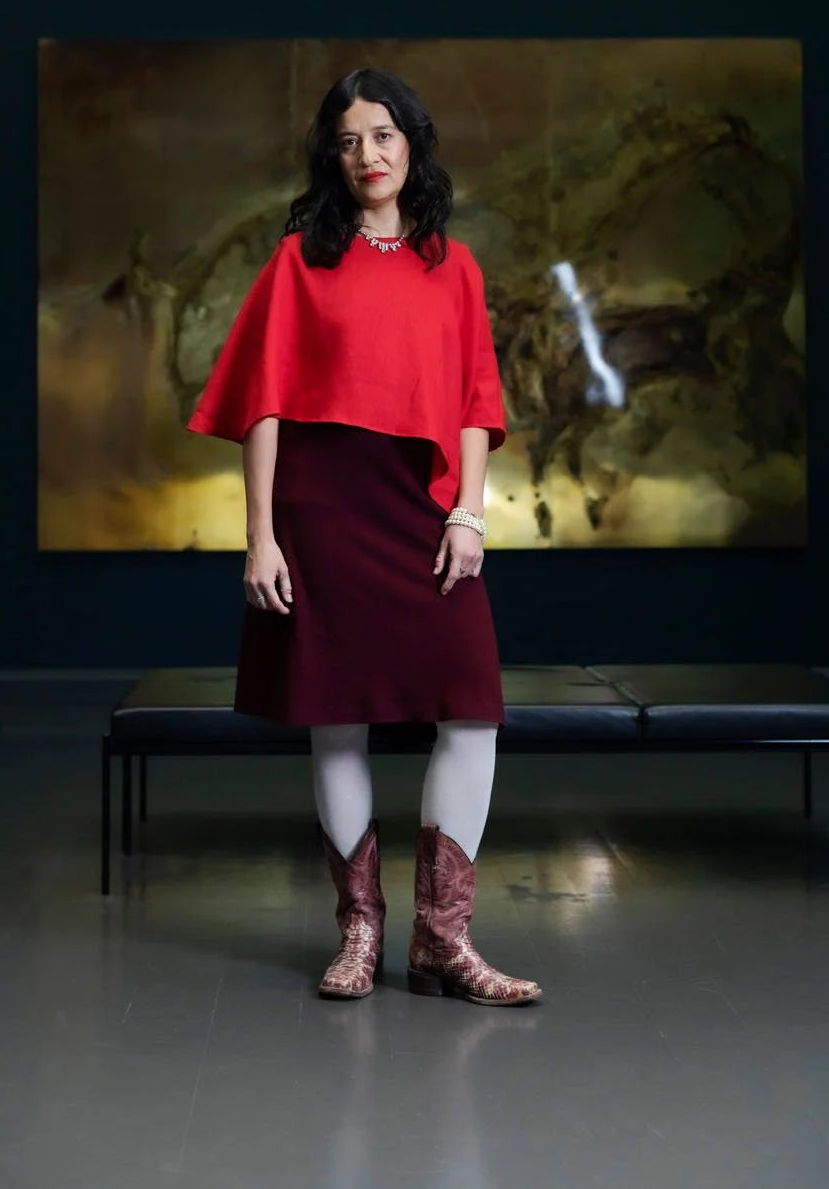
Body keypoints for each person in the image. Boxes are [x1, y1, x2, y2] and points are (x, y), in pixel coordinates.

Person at [187, 67, 541, 1008]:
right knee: (334, 715)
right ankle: (358, 934)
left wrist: (468, 511)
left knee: (470, 707)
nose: (366, 156)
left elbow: (475, 402)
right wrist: (258, 537)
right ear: (331, 157)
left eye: (382, 136)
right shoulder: (300, 257)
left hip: (420, 506)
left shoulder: (452, 265)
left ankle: (443, 941)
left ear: (412, 144)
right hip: (321, 503)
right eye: (346, 142)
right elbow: (261, 407)